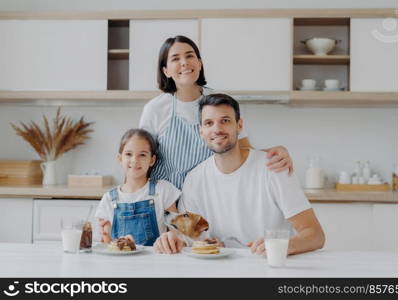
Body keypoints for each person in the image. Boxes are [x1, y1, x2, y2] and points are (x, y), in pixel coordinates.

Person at [154, 94, 325, 255]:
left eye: (225, 121)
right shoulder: (194, 179)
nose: (217, 129)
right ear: (201, 131)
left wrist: (280, 245)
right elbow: (188, 235)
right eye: (208, 123)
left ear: (239, 126)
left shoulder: (273, 168)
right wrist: (173, 238)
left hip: (268, 268)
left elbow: (315, 235)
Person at [139, 35, 293, 190]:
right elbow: (139, 160)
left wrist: (276, 153)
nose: (184, 62)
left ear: (199, 63)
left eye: (190, 55)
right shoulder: (155, 109)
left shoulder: (221, 102)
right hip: (167, 205)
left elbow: (244, 152)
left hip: (210, 199)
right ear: (165, 71)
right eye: (175, 58)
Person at [95, 129, 181, 246]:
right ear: (120, 159)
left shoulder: (163, 190)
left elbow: (177, 234)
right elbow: (107, 243)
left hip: (157, 261)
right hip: (119, 263)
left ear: (152, 160)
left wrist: (174, 237)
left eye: (142, 155)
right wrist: (105, 236)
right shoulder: (109, 199)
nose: (135, 160)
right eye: (129, 154)